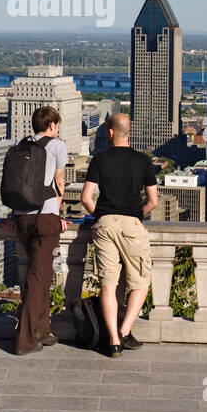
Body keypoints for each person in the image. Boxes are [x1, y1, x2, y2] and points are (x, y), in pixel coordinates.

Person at [80, 112, 158, 358]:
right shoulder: (143, 161)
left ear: (111, 132)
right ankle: (124, 331)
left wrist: (100, 214)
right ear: (129, 132)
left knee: (108, 284)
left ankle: (113, 340)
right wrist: (136, 215)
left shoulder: (100, 159)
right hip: (132, 225)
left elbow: (85, 197)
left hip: (104, 225)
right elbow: (153, 201)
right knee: (141, 282)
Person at [0, 106, 68, 355]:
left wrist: (13, 213)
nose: (57, 129)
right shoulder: (57, 145)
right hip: (45, 217)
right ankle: (25, 339)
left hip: (22, 218)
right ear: (51, 125)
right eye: (56, 125)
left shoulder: (21, 144)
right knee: (39, 278)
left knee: (39, 274)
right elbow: (58, 183)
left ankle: (43, 329)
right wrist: (58, 216)